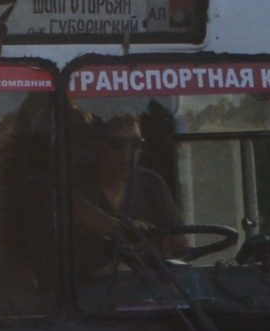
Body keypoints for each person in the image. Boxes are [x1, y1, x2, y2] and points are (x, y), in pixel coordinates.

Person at [71, 113, 185, 273]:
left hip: (148, 290)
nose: (128, 154)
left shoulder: (152, 184)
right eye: (118, 145)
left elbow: (180, 247)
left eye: (136, 144)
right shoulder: (74, 185)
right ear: (97, 145)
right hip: (86, 292)